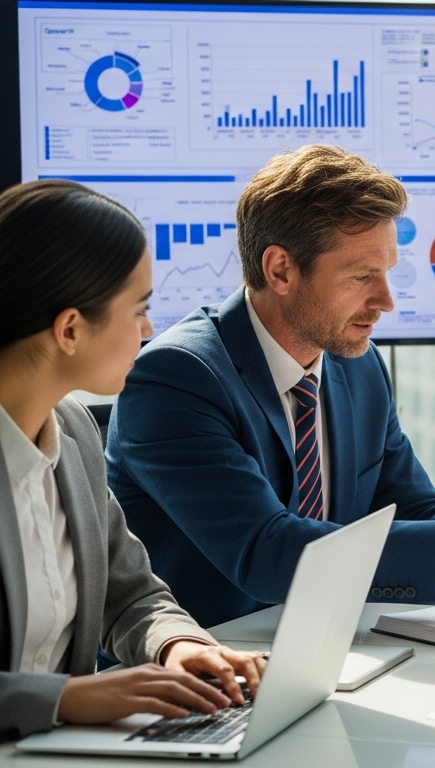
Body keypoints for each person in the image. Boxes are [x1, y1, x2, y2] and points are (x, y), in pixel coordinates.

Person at [108, 145, 435, 627]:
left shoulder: (355, 365)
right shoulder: (176, 377)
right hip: (197, 667)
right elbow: (266, 551)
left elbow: (410, 501)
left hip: (321, 648)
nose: (386, 301)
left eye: (387, 273)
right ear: (280, 269)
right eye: (362, 276)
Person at [0, 180, 267, 741]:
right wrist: (65, 698)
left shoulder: (72, 430)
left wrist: (179, 646)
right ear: (70, 329)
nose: (149, 331)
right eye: (140, 310)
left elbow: (131, 594)